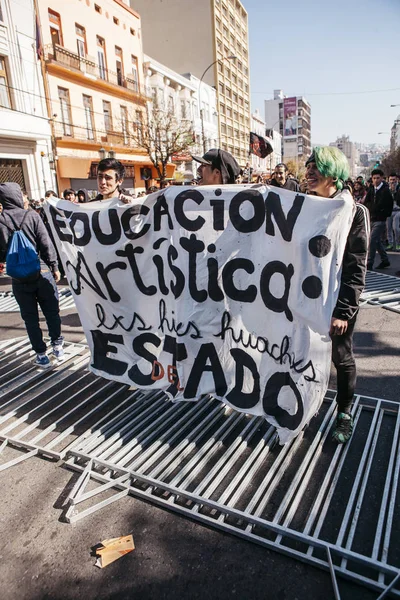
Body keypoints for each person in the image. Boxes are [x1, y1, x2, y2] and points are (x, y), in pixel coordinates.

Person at [305, 147, 369, 444]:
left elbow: (357, 266)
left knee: (340, 357)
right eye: (307, 167)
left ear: (333, 173)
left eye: (314, 167)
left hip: (337, 301)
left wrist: (344, 310)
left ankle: (344, 413)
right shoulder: (306, 206)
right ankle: (304, 403)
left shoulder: (354, 211)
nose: (308, 172)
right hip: (306, 299)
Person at [0, 183, 64, 367]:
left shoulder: (0, 221)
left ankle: (41, 354)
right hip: (42, 271)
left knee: (30, 317)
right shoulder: (32, 216)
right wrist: (54, 266)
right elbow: (46, 244)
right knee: (52, 312)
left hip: (19, 277)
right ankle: (57, 345)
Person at [364, 168, 393, 269]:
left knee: (372, 240)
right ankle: (385, 260)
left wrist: (382, 213)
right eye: (374, 178)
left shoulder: (385, 190)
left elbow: (387, 205)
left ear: (382, 178)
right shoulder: (372, 189)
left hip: (380, 219)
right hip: (371, 218)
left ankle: (369, 262)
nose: (376, 180)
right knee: (376, 241)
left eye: (378, 178)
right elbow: (366, 202)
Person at [386, 173, 400, 251]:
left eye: (394, 180)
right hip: (389, 211)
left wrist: (395, 191)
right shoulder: (386, 189)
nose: (392, 182)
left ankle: (398, 244)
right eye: (391, 180)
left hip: (398, 210)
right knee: (389, 228)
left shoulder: (398, 188)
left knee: (396, 228)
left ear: (397, 180)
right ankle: (390, 244)